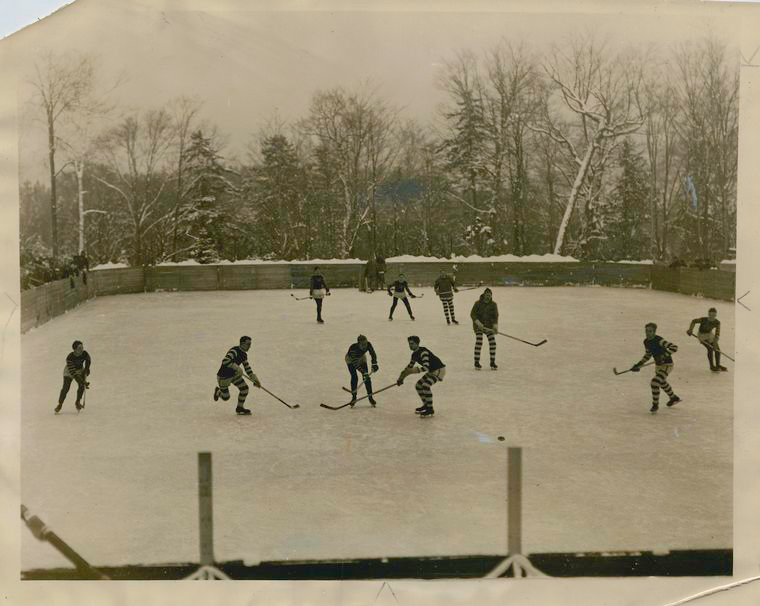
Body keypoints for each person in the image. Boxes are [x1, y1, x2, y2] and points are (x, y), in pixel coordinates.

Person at [630, 323, 681, 414]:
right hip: (658, 366)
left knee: (655, 382)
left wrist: (662, 356)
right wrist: (639, 364)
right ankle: (673, 398)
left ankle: (655, 404)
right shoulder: (646, 341)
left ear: (654, 332)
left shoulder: (659, 340)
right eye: (646, 331)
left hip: (667, 365)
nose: (647, 333)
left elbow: (674, 347)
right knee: (662, 382)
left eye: (650, 331)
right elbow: (648, 355)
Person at [396, 336, 446, 417]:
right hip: (432, 370)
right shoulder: (414, 355)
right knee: (418, 386)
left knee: (425, 385)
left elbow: (425, 367)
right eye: (409, 344)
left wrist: (412, 371)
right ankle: (426, 405)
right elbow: (408, 368)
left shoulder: (423, 352)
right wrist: (401, 378)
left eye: (412, 344)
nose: (410, 345)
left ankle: (430, 409)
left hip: (439, 370)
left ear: (417, 343)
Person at [213, 336, 261, 415]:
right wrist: (237, 368)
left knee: (244, 389)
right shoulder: (234, 351)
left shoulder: (244, 355)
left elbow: (247, 368)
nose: (250, 346)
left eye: (250, 344)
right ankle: (218, 392)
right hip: (224, 377)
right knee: (226, 397)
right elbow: (225, 361)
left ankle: (239, 408)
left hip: (234, 375)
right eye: (248, 344)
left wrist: (254, 379)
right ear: (242, 344)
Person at [55, 340, 91, 413]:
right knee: (66, 388)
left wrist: (87, 368)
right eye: (79, 348)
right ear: (74, 350)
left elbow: (88, 360)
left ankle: (77, 402)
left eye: (82, 347)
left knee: (81, 386)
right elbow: (73, 373)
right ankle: (60, 404)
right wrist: (82, 381)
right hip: (69, 372)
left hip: (80, 370)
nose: (82, 350)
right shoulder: (70, 357)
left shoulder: (85, 353)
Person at [687, 307, 726, 371]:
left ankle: (718, 365)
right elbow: (693, 321)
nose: (712, 316)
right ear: (708, 314)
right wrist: (690, 330)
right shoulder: (703, 319)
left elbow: (717, 334)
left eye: (713, 315)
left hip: (710, 335)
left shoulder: (717, 322)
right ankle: (712, 366)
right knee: (710, 349)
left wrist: (715, 343)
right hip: (702, 335)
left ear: (715, 315)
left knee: (717, 350)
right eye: (710, 314)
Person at [345, 335, 378, 406]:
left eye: (365, 344)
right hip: (351, 360)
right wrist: (363, 372)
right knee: (354, 377)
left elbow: (373, 354)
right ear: (358, 344)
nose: (364, 346)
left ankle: (370, 397)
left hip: (361, 358)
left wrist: (374, 364)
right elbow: (355, 364)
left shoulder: (368, 344)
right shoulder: (353, 349)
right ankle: (354, 397)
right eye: (362, 344)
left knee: (367, 378)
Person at [470, 288, 498, 369]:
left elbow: (495, 316)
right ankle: (476, 362)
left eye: (490, 295)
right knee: (479, 342)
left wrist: (495, 326)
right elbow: (472, 314)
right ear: (484, 295)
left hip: (489, 327)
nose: (488, 297)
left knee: (493, 343)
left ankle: (492, 362)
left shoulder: (493, 305)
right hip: (479, 327)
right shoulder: (477, 303)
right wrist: (478, 323)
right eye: (487, 295)